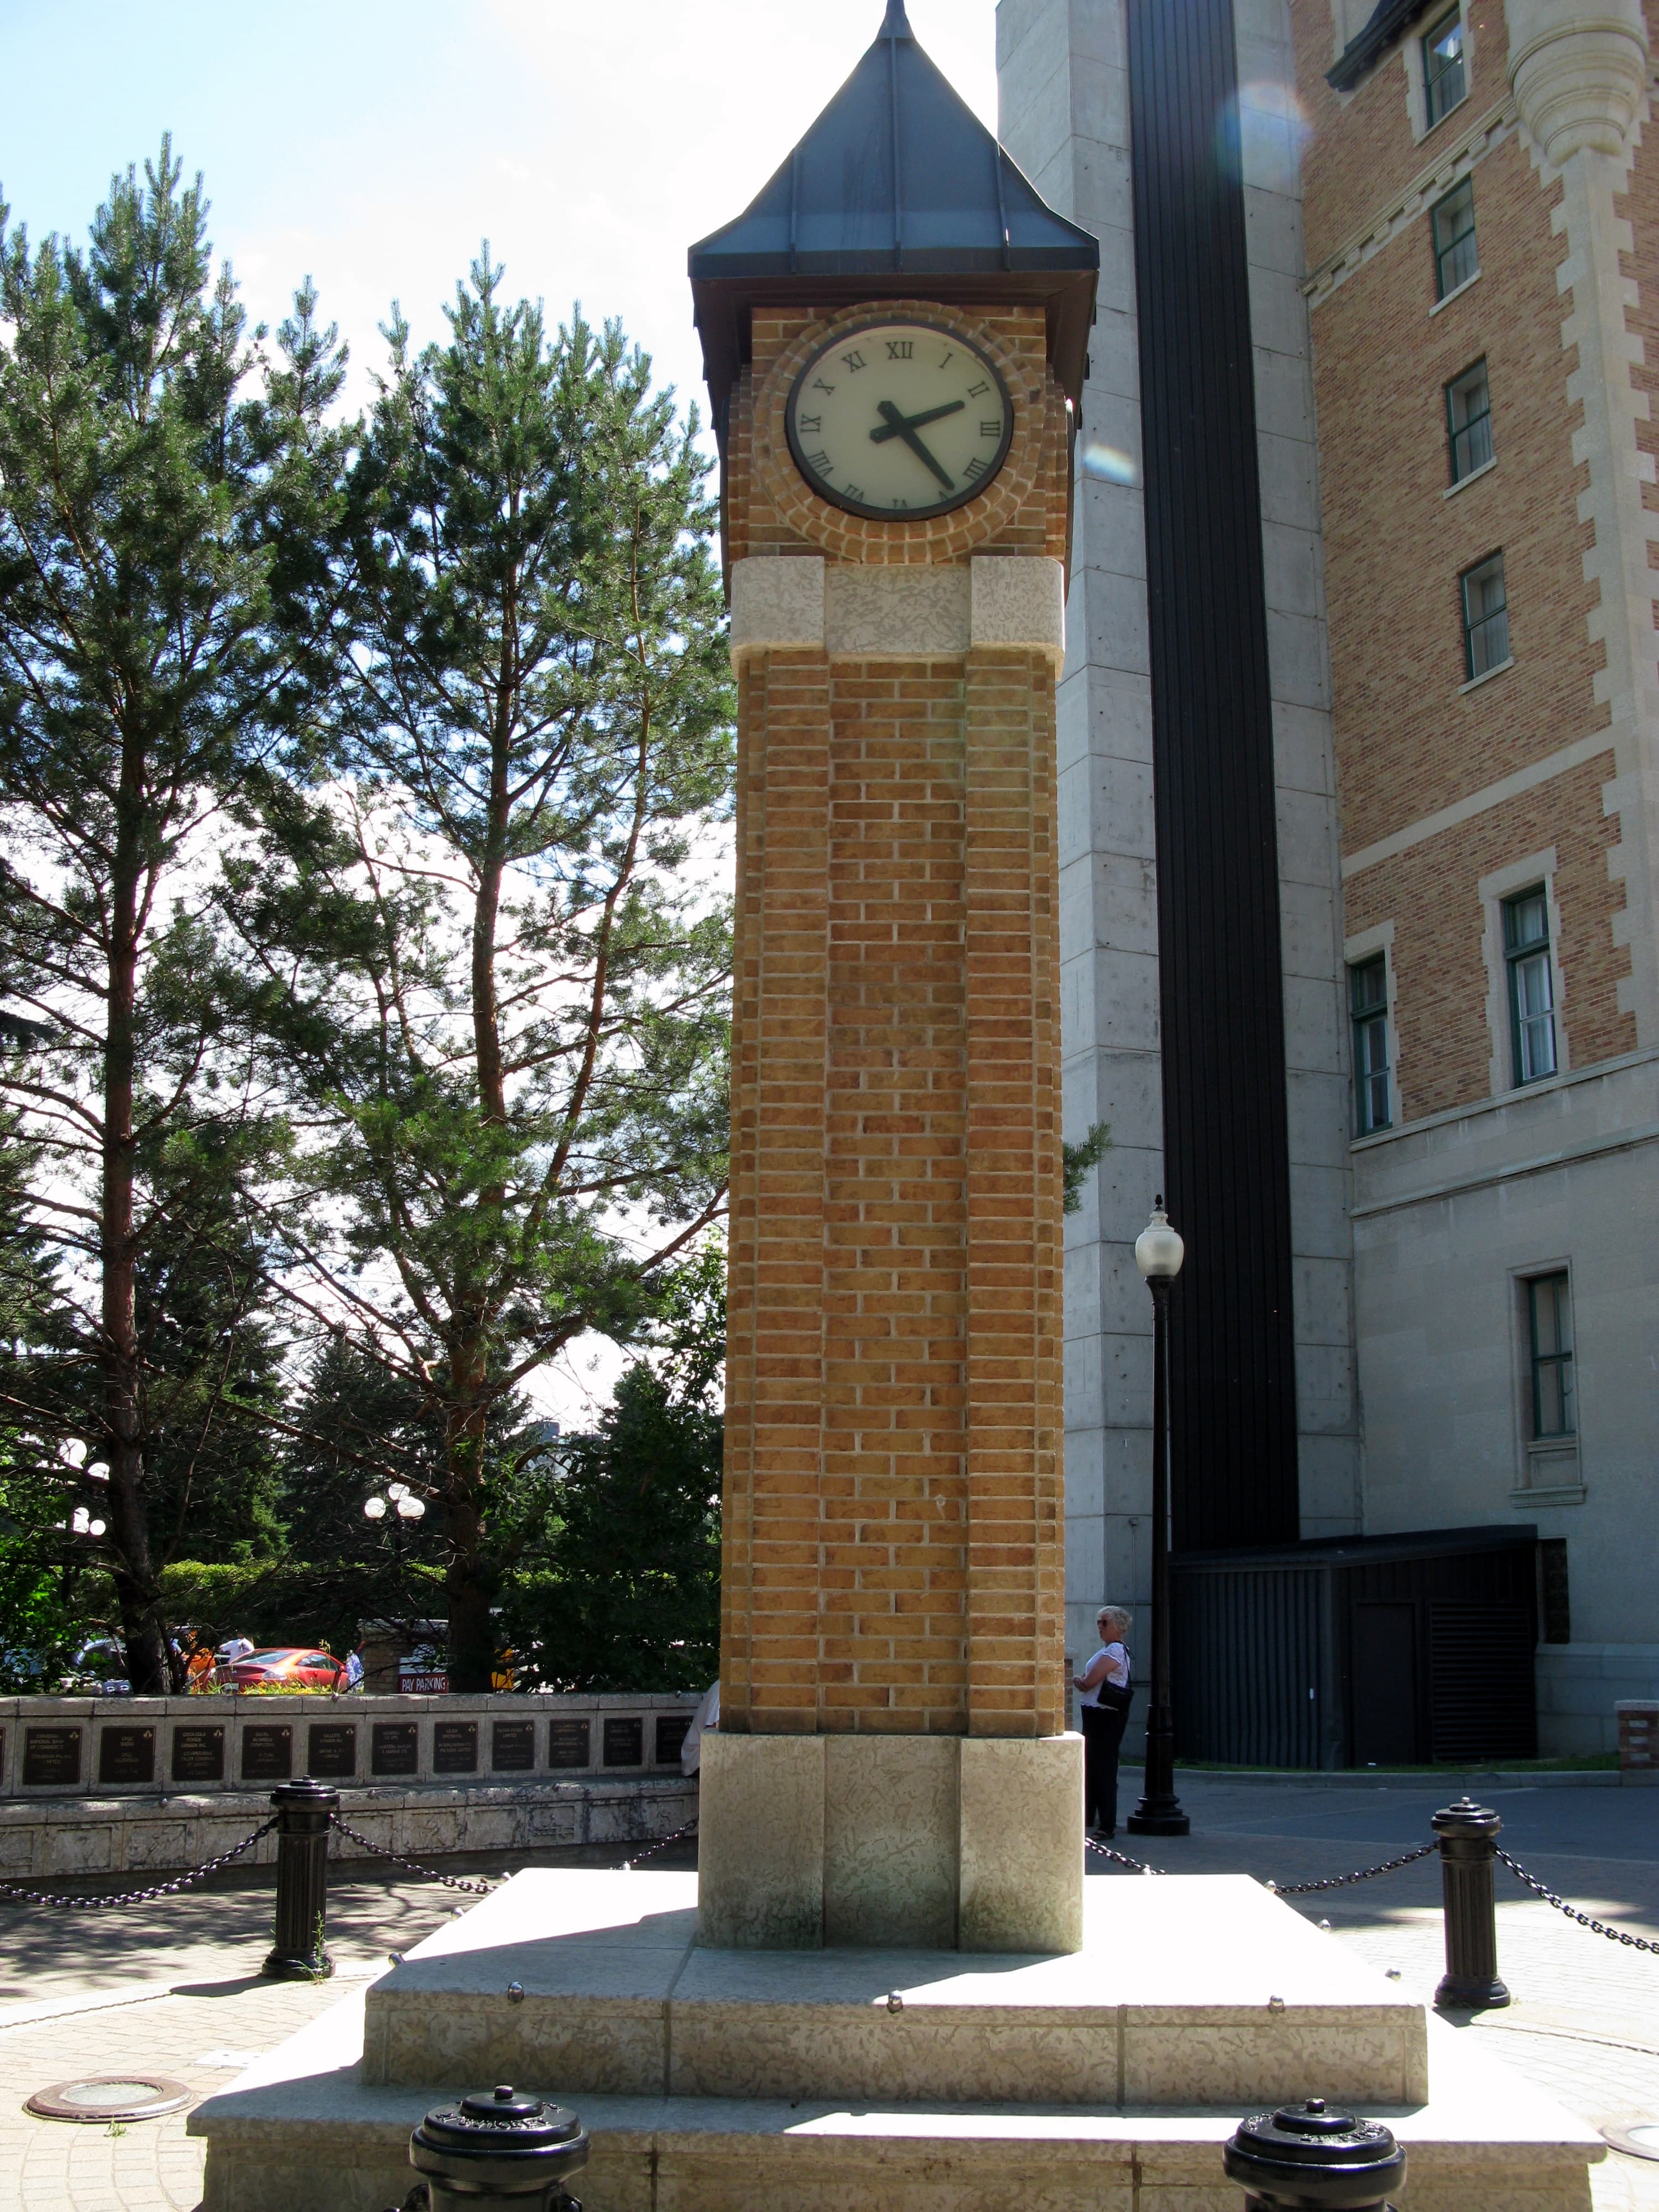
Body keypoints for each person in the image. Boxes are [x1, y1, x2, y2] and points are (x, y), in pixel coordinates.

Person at [1074, 1606, 1133, 1839]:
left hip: (1105, 1718)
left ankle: (1107, 1825)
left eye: (1105, 1623)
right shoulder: (1109, 1650)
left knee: (1104, 1769)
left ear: (1118, 1627)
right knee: (1093, 1767)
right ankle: (1091, 1817)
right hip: (1096, 1715)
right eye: (1098, 1622)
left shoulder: (1116, 1650)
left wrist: (1081, 1681)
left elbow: (1090, 1682)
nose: (1100, 1626)